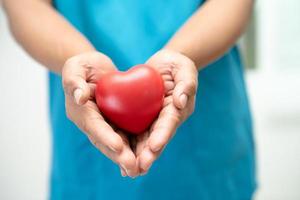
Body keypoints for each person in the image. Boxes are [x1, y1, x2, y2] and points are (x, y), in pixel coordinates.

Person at [3, 0, 256, 199]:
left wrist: (181, 55)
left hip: (205, 134)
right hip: (86, 138)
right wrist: (79, 62)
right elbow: (26, 5)